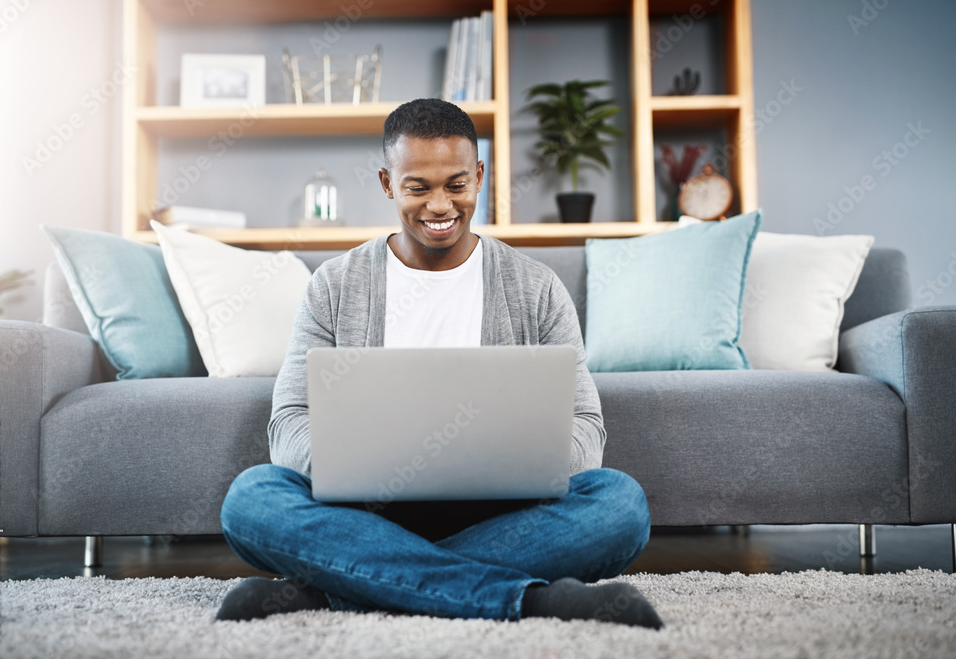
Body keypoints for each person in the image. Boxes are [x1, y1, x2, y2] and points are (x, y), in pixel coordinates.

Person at [216, 98, 662, 629]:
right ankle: (531, 601)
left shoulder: (536, 288)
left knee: (620, 504)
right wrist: (359, 469)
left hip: (503, 514)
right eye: (417, 187)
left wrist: (516, 468)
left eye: (456, 185)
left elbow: (586, 425)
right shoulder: (334, 287)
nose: (439, 205)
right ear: (387, 183)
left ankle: (339, 586)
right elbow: (289, 420)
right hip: (364, 512)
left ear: (479, 175)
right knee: (252, 497)